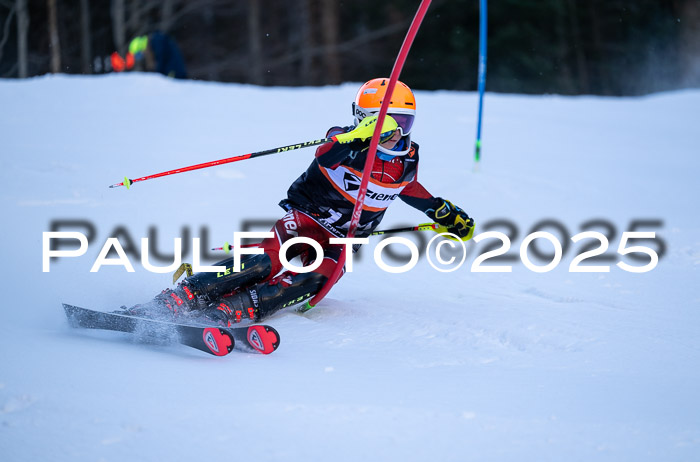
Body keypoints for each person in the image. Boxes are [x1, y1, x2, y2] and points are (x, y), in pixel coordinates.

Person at [130, 78, 474, 325]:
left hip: (344, 239)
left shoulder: (407, 158)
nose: (395, 133)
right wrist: (359, 137)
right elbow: (327, 155)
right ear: (364, 120)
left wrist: (441, 211)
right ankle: (184, 296)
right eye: (386, 124)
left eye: (403, 123)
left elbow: (407, 187)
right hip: (308, 218)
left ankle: (234, 309)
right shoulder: (344, 141)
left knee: (312, 281)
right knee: (266, 261)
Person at [111, 32, 187, 79]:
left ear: (142, 48)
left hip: (176, 73)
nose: (143, 56)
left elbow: (162, 60)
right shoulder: (154, 44)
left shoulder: (157, 41)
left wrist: (159, 75)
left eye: (139, 54)